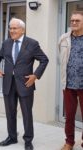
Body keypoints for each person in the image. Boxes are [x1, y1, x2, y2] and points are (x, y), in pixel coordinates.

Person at [0, 18, 49, 150]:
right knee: (10, 113)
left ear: (22, 30)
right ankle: (12, 137)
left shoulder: (32, 44)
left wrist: (35, 75)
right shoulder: (6, 43)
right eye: (10, 28)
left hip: (25, 84)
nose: (12, 31)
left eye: (15, 28)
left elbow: (44, 60)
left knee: (26, 114)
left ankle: (28, 140)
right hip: (8, 84)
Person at [58, 11, 83, 150]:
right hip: (68, 84)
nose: (73, 22)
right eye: (72, 20)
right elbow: (61, 58)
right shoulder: (63, 38)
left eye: (77, 20)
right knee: (69, 116)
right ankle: (69, 142)